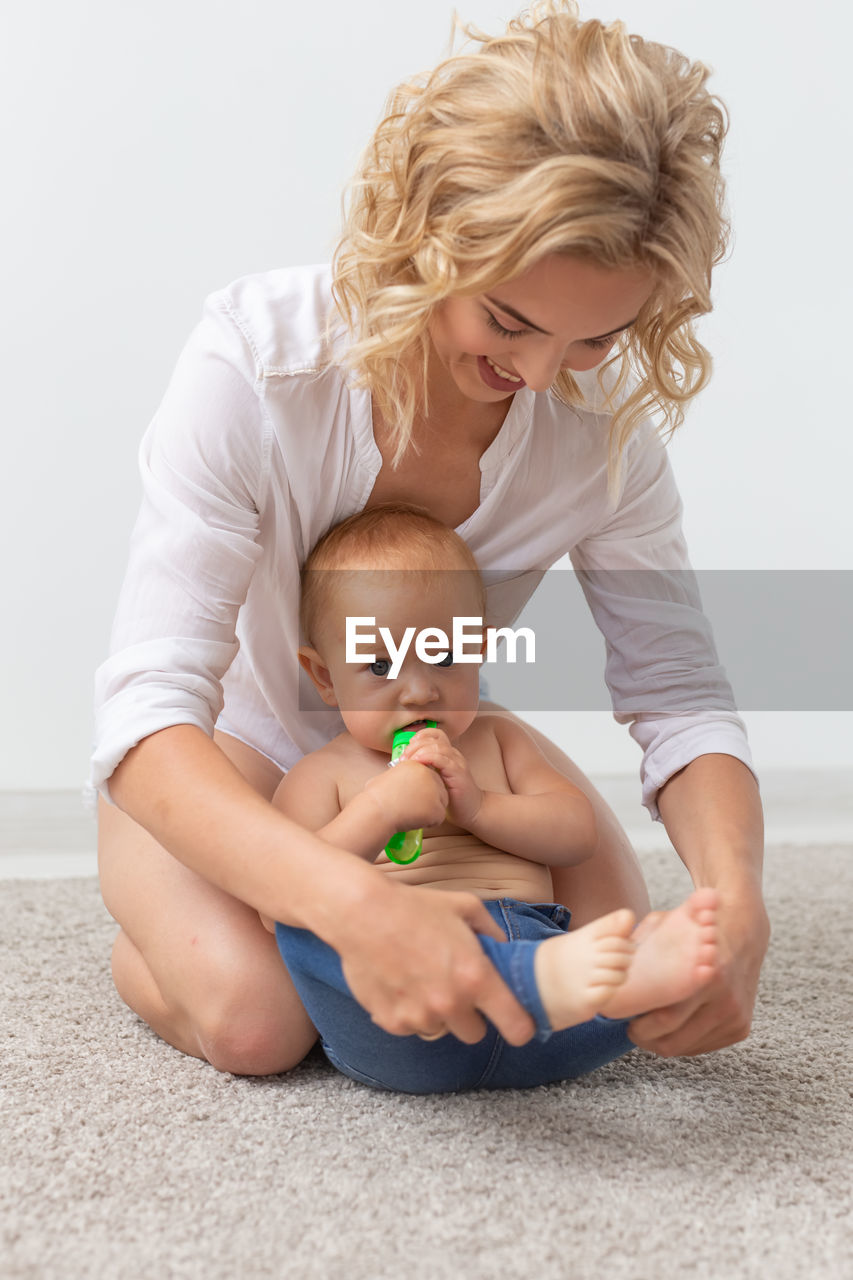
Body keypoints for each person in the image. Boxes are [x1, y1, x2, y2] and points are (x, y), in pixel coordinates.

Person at [93, 0, 767, 1077]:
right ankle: (156, 945)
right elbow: (145, 704)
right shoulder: (257, 370)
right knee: (264, 1025)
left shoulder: (603, 440)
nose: (544, 377)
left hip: (437, 741)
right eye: (508, 321)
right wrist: (346, 896)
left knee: (629, 986)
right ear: (425, 235)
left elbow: (676, 686)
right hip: (234, 750)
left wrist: (734, 899)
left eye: (594, 337)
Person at [267, 503, 720, 1092]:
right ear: (324, 677)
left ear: (479, 648)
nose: (419, 687)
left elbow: (576, 832)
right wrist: (380, 811)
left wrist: (477, 806)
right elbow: (275, 898)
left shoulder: (497, 740)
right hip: (402, 1011)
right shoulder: (318, 775)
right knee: (297, 927)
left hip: (533, 966)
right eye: (379, 665)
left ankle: (642, 986)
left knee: (627, 960)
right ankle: (567, 983)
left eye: (444, 655)